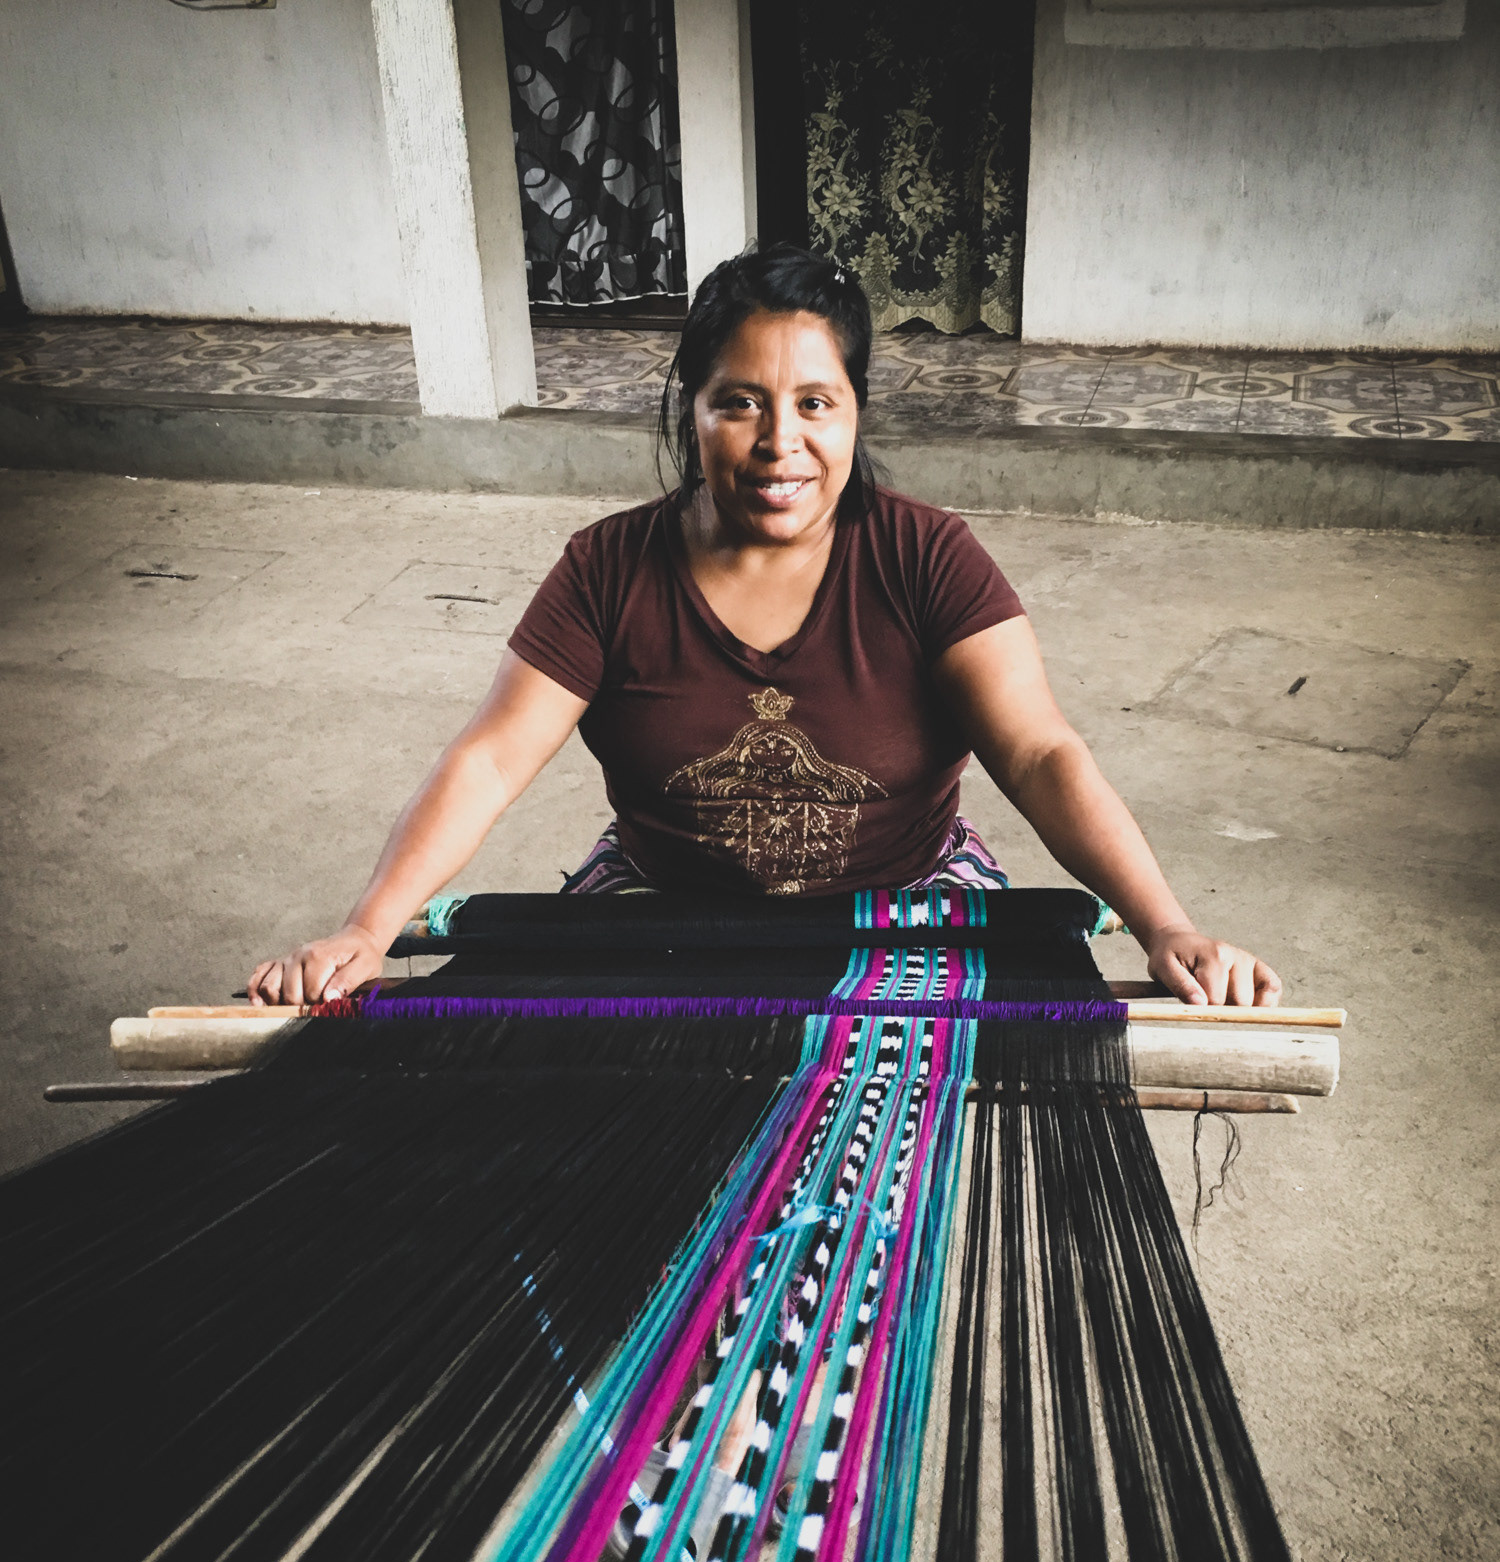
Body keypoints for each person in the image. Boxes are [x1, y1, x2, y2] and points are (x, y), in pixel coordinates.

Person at [248, 244, 1280, 1009]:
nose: (781, 442)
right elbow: (488, 758)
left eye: (816, 404)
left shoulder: (927, 558)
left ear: (856, 409)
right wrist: (369, 928)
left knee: (848, 1181)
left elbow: (1041, 752)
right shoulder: (608, 570)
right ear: (691, 407)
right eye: (740, 402)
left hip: (905, 901)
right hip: (663, 903)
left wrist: (1166, 923)